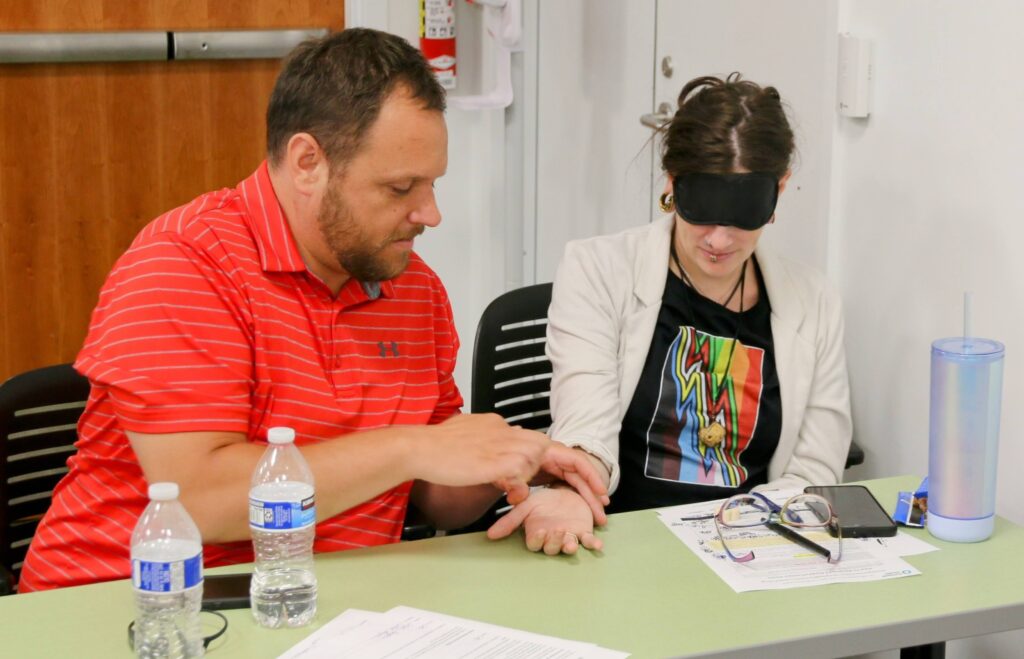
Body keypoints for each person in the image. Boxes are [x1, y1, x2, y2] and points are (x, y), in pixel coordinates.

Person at [19, 28, 606, 592]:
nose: (430, 214)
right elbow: (200, 500)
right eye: (401, 189)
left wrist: (510, 462)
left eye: (433, 184)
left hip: (322, 605)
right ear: (307, 163)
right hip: (129, 602)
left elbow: (433, 494)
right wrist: (411, 446)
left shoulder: (412, 286)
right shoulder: (185, 264)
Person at [488, 73, 852, 555]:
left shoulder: (814, 300)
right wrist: (574, 493)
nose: (719, 241)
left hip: (751, 547)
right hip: (619, 540)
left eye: (743, 214)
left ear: (779, 192)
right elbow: (585, 427)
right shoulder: (598, 270)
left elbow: (814, 469)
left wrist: (740, 531)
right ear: (672, 183)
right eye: (701, 209)